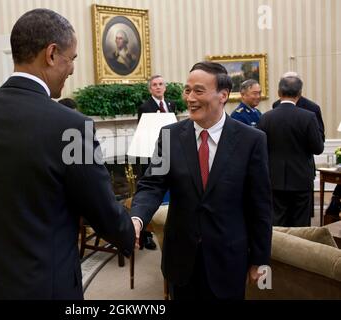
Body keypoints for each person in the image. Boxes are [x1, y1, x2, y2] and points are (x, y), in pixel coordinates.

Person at [0, 8, 134, 300]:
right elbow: (102, 211)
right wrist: (130, 229)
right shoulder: (71, 126)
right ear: (51, 54)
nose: (72, 69)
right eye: (71, 59)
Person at [130, 61, 272, 299]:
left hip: (228, 260)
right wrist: (136, 218)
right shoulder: (170, 136)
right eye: (187, 90)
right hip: (181, 261)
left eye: (198, 90)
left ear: (223, 95)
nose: (190, 98)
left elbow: (260, 206)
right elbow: (152, 185)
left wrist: (260, 260)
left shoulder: (252, 140)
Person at [257, 75, 324, 227]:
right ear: (299, 94)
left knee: (277, 222)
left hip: (274, 177)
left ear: (279, 93)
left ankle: (278, 251)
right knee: (300, 223)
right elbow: (318, 149)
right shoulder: (308, 117)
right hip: (301, 178)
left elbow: (260, 150)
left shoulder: (266, 118)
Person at [137, 75, 177, 250]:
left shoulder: (171, 105)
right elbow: (143, 133)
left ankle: (167, 228)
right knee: (151, 194)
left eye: (161, 84)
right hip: (150, 153)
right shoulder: (145, 107)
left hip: (169, 153)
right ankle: (146, 236)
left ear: (165, 87)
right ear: (150, 89)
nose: (158, 87)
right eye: (155, 85)